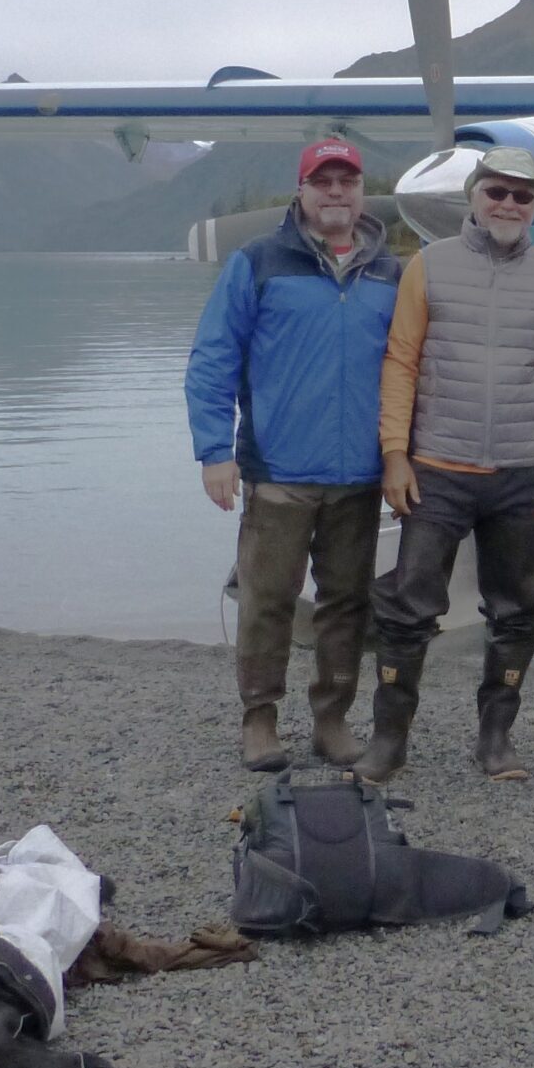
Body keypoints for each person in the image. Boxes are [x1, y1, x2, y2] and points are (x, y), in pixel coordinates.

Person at [359, 146, 534, 784]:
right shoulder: (429, 267)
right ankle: (389, 739)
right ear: (473, 195)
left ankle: (495, 738)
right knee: (409, 608)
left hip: (523, 472)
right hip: (437, 467)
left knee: (517, 610)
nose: (509, 205)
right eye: (497, 191)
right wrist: (394, 455)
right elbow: (401, 362)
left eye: (524, 196)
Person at [185, 138, 402, 772]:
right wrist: (212, 450)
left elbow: (410, 367)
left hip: (359, 475)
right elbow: (213, 357)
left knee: (346, 604)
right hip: (278, 472)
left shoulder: (390, 272)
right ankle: (260, 719)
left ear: (362, 191)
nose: (336, 192)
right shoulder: (258, 262)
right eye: (323, 181)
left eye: (348, 181)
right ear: (301, 191)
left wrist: (401, 455)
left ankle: (331, 720)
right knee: (266, 600)